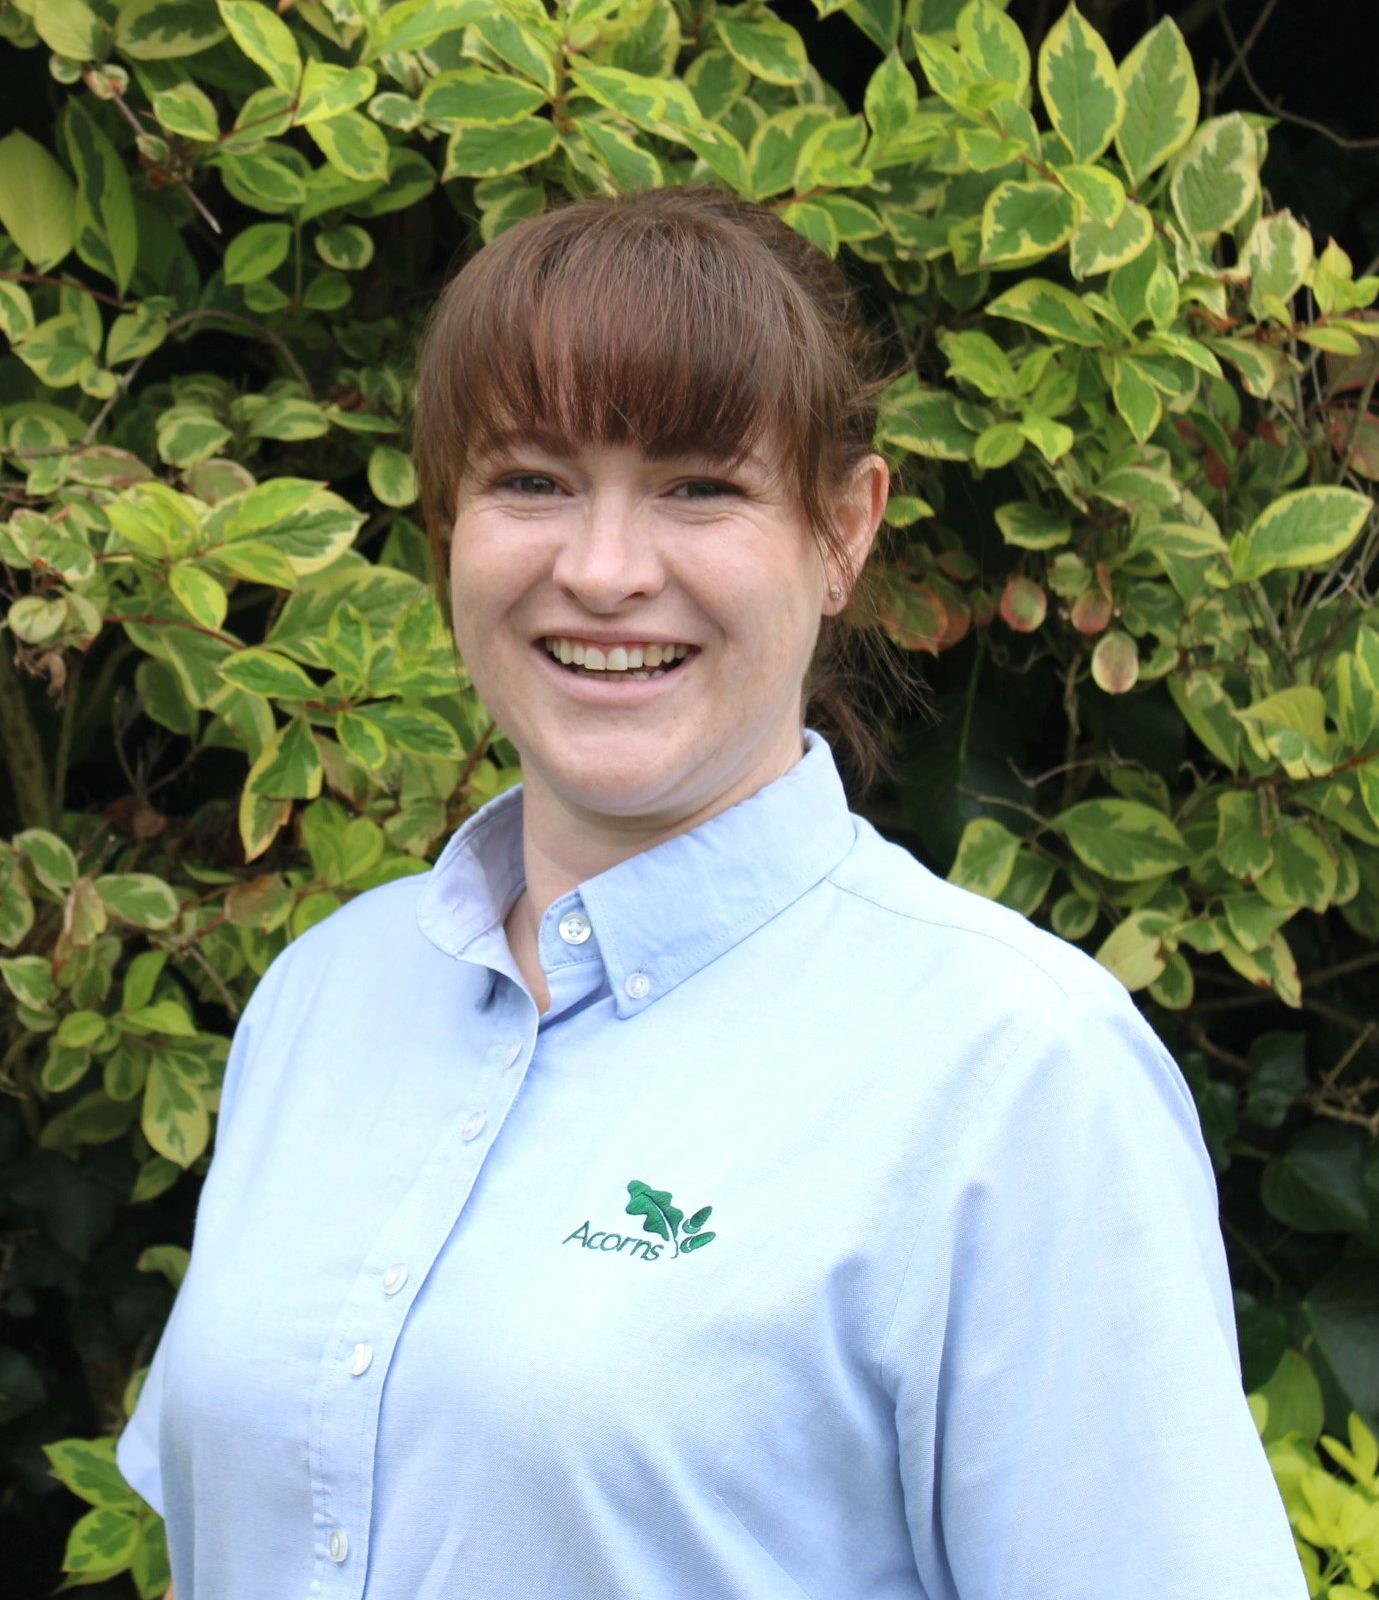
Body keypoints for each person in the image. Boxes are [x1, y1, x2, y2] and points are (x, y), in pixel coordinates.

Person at [118, 187, 1306, 1599]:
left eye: (699, 485)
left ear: (844, 530)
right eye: (530, 480)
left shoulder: (1016, 1076)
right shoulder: (324, 998)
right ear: (446, 521)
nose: (604, 570)